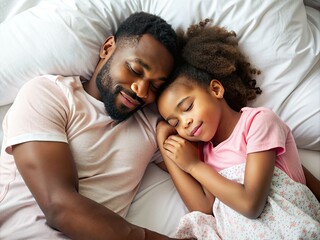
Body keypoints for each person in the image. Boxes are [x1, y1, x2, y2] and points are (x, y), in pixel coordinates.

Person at [0, 12, 192, 240]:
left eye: (155, 86)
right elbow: (59, 206)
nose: (141, 90)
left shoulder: (152, 129)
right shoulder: (49, 94)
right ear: (107, 48)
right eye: (135, 70)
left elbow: (205, 178)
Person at [156, 20, 320, 239]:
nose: (183, 123)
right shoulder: (204, 153)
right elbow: (204, 209)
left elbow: (251, 204)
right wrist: (163, 139)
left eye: (187, 107)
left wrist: (194, 166)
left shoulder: (258, 122)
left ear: (215, 89)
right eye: (175, 122)